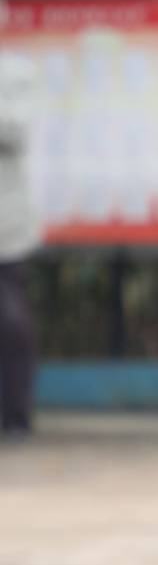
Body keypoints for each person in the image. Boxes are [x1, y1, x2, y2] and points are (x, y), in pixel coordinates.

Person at [0, 51, 39, 439]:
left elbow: (16, 131)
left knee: (11, 319)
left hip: (5, 226)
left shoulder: (16, 72)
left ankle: (16, 414)